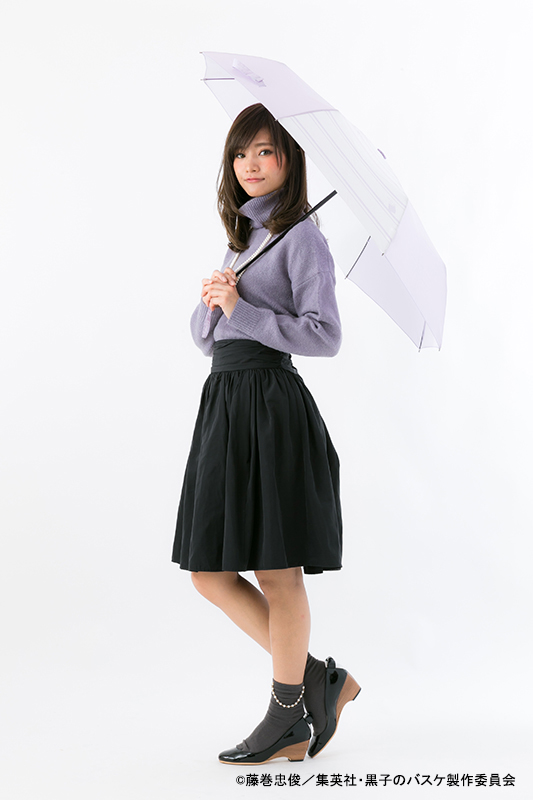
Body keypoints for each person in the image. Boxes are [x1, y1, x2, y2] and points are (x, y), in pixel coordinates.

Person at [172, 103, 360, 765]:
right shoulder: (245, 236)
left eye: (264, 151)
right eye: (240, 153)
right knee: (209, 573)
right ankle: (317, 680)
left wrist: (242, 308)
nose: (250, 164)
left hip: (270, 407)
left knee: (276, 571)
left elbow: (325, 336)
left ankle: (288, 716)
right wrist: (215, 298)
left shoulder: (301, 236)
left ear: (288, 160)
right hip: (225, 404)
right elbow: (207, 341)